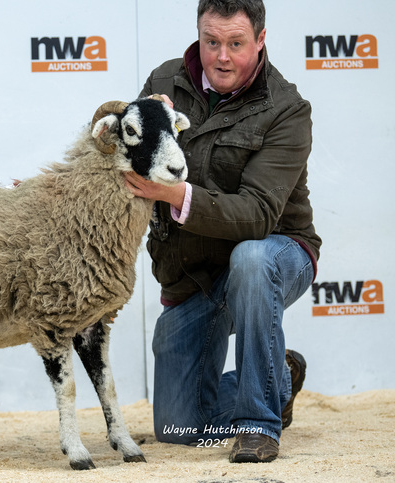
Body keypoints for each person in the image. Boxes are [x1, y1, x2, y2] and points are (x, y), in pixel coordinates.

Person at [124, 0, 321, 463]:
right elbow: (129, 156)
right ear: (199, 34)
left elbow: (257, 214)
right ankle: (279, 375)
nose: (222, 57)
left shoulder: (288, 109)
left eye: (236, 43)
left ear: (261, 39)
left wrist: (173, 195)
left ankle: (258, 425)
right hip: (196, 273)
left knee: (251, 258)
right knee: (179, 429)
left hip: (278, 251)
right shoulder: (163, 81)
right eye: (212, 42)